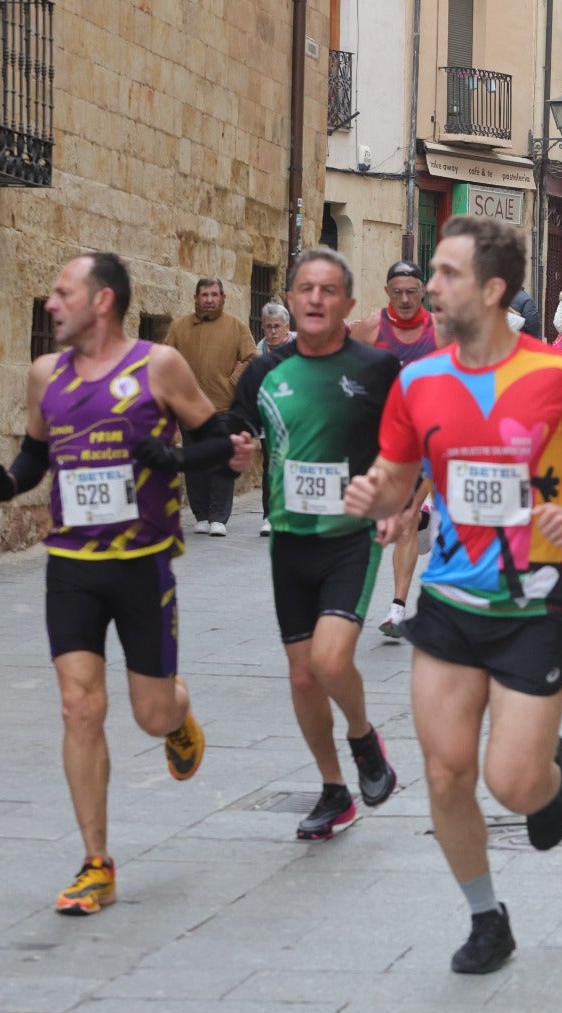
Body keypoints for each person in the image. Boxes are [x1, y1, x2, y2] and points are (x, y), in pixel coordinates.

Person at [342, 216, 562, 975]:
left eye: (445, 274)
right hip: (446, 601)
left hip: (534, 603)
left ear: (493, 288)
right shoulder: (416, 381)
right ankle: (486, 917)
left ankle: (549, 772)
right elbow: (397, 483)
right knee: (446, 773)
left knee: (512, 784)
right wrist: (373, 498)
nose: (429, 288)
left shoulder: (558, 376)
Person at [0, 252, 241, 915]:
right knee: (79, 707)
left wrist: (173, 456)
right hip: (71, 566)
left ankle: (180, 721)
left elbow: (218, 439)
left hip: (142, 562)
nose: (51, 303)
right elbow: (36, 453)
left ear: (103, 302)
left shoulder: (157, 366)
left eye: (64, 292)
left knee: (150, 713)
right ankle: (97, 863)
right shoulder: (44, 375)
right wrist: (6, 482)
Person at [189, 249, 401, 843]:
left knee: (331, 660)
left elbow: (404, 444)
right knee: (303, 675)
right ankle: (334, 790)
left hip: (350, 538)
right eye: (304, 288)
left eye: (327, 290)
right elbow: (236, 445)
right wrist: (234, 457)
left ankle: (362, 739)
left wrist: (393, 496)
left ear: (348, 305)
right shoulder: (263, 372)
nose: (314, 299)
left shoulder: (377, 369)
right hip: (289, 539)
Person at [350, 260, 442, 639]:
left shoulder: (440, 332)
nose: (405, 299)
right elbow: (339, 370)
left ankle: (397, 607)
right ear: (387, 291)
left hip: (423, 440)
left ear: (424, 292)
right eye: (398, 292)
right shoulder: (370, 328)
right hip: (378, 440)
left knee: (404, 519)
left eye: (412, 291)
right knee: (371, 522)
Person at [163, 277, 256, 536]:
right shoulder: (180, 327)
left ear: (223, 298)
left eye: (214, 294)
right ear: (195, 297)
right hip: (189, 407)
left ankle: (218, 516)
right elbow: (164, 359)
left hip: (223, 407)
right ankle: (201, 514)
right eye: (204, 294)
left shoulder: (236, 327)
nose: (209, 299)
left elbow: (250, 358)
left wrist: (231, 382)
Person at [255, 303, 296, 536]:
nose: (273, 331)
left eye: (277, 327)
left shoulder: (302, 346)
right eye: (268, 327)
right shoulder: (258, 352)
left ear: (287, 327)